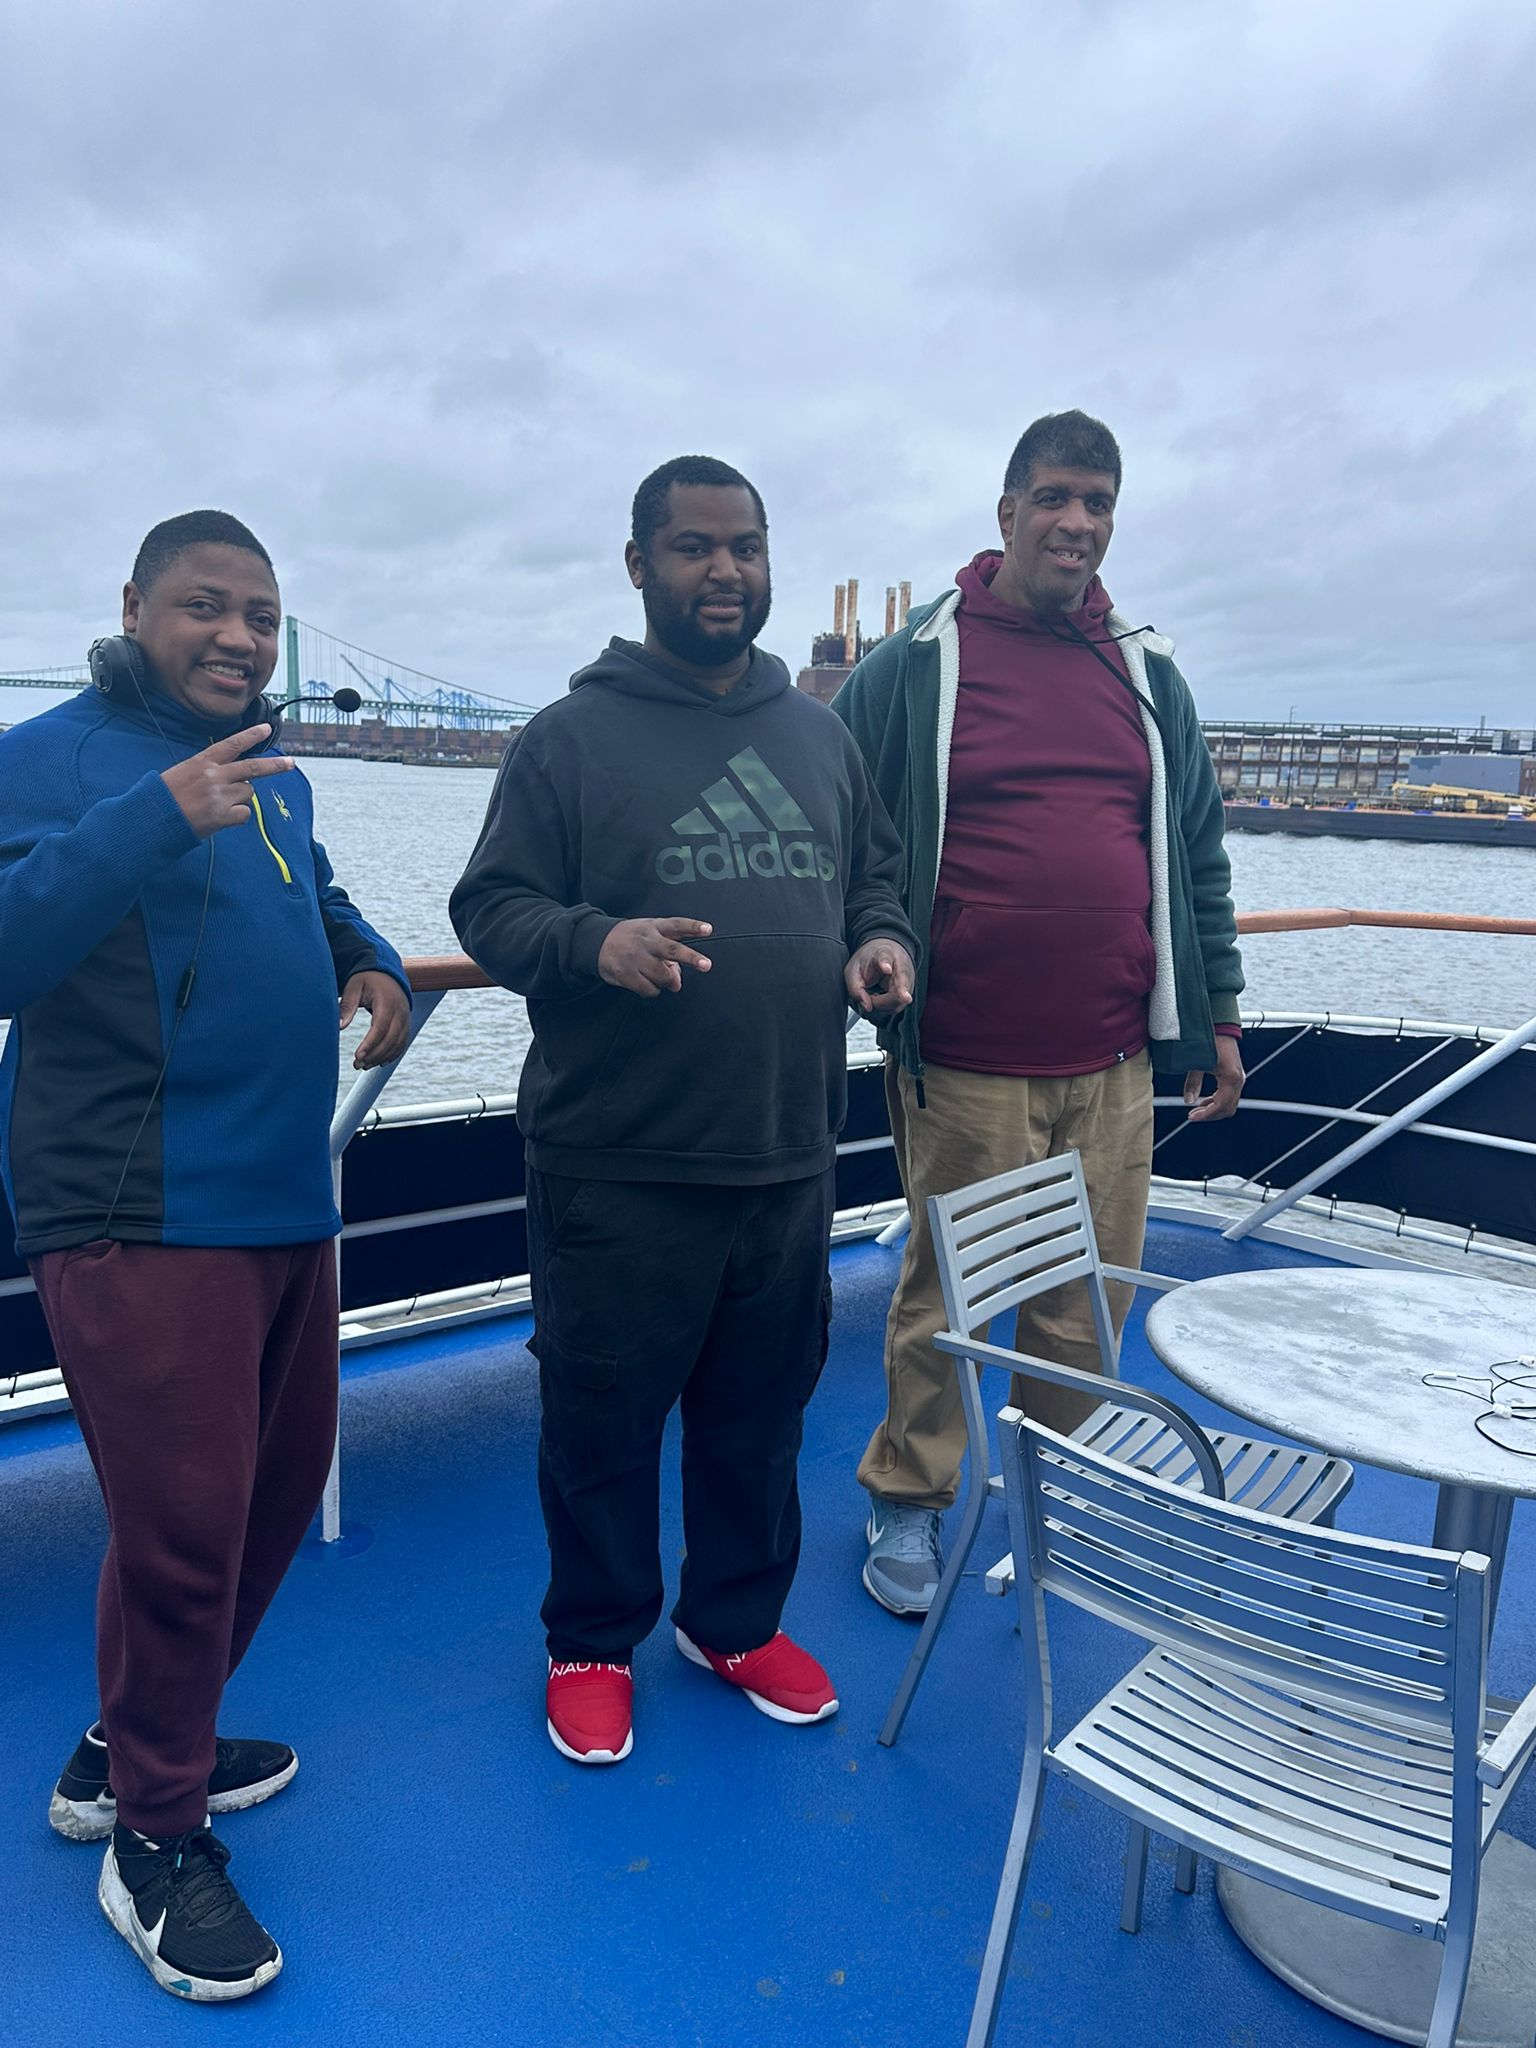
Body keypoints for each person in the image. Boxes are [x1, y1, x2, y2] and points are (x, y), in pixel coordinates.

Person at [0, 511, 411, 2000]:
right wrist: (152, 816)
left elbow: (305, 891)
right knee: (182, 1530)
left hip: (281, 1193)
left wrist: (366, 951)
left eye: (260, 613)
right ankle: (154, 1842)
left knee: (268, 1500)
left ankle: (126, 1747)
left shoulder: (276, 774)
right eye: (205, 608)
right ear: (134, 607)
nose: (238, 636)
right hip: (136, 1206)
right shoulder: (51, 759)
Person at [451, 455, 917, 1765]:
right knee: (601, 1423)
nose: (726, 572)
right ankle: (593, 1640)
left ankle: (732, 1621)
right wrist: (593, 941)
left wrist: (881, 947)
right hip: (617, 1163)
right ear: (640, 564)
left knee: (759, 1421)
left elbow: (873, 882)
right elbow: (489, 907)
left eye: (746, 547)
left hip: (784, 1155)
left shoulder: (817, 736)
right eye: (697, 548)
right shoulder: (570, 737)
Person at [832, 411, 1246, 1618]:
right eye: (1057, 497)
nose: (1079, 523)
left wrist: (1216, 1015)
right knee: (950, 1292)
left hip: (1116, 1057)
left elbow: (1200, 857)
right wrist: (860, 948)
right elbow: (841, 827)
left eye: (1100, 502)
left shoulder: (1148, 670)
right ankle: (910, 1492)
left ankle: (1061, 1484)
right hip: (966, 1057)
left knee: (1090, 1291)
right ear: (1006, 509)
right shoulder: (912, 663)